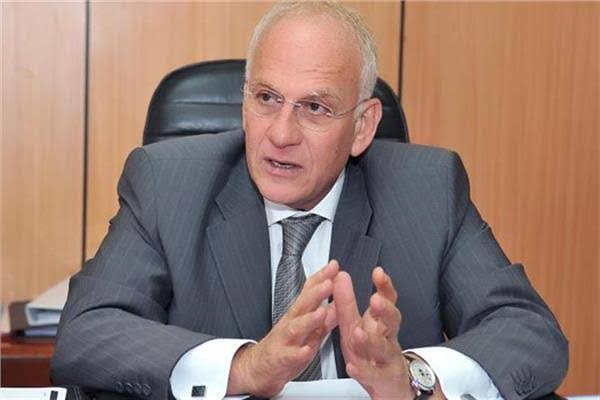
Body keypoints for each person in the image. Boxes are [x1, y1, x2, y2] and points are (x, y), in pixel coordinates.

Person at [51, 2, 568, 400]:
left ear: (363, 126)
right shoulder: (168, 183)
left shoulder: (426, 190)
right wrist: (246, 367)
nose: (281, 134)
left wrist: (412, 377)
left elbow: (529, 332)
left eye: (315, 107)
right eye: (267, 98)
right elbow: (87, 333)